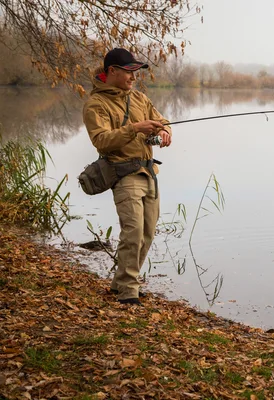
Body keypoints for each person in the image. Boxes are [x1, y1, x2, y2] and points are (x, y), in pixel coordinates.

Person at [82, 48, 172, 305]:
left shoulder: (141, 99)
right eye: (129, 72)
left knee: (147, 233)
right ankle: (128, 291)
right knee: (132, 232)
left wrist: (165, 130)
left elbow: (161, 119)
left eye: (136, 72)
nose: (134, 77)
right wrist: (134, 128)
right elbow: (101, 141)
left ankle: (121, 282)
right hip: (123, 174)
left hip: (149, 173)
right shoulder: (95, 104)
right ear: (112, 71)